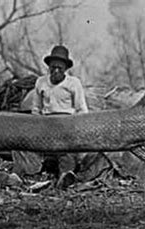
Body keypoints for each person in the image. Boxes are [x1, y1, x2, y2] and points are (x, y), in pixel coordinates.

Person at [30, 45, 89, 187]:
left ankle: (65, 177)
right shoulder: (41, 82)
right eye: (53, 67)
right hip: (46, 125)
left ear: (65, 69)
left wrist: (75, 130)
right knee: (25, 148)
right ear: (49, 67)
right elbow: (36, 109)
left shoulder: (73, 83)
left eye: (60, 68)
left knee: (66, 152)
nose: (56, 71)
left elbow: (82, 110)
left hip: (66, 125)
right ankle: (21, 174)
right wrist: (36, 128)